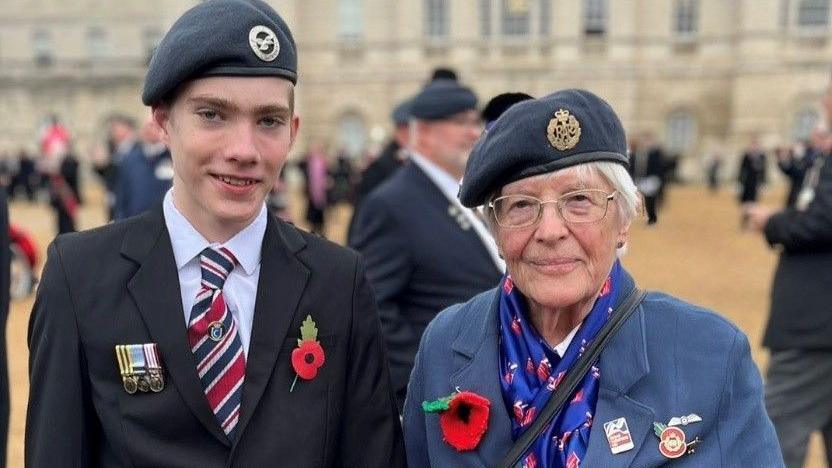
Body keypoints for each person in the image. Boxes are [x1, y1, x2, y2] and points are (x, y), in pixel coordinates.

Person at [26, 1, 405, 466]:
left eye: (268, 121)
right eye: (213, 115)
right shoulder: (79, 277)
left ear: (293, 132)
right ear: (163, 122)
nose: (243, 150)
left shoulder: (339, 281)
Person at [403, 89, 783, 467]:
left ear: (624, 221)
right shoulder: (445, 343)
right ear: (497, 232)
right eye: (521, 205)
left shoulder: (710, 354)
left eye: (579, 200)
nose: (550, 231)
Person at [349, 78, 504, 412]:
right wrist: (424, 380)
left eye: (474, 121)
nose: (473, 132)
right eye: (459, 122)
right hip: (445, 398)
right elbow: (372, 306)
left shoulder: (464, 194)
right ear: (425, 132)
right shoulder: (392, 203)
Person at [744, 80, 832, 468]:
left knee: (775, 433)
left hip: (816, 323)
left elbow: (819, 221)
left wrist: (773, 222)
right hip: (816, 319)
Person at [114, 116, 174, 219]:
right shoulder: (130, 159)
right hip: (135, 221)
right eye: (147, 126)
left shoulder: (173, 157)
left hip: (165, 221)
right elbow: (122, 196)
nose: (150, 130)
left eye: (153, 126)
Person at [737, 137, 768, 205]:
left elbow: (764, 170)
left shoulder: (762, 156)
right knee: (745, 200)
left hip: (756, 181)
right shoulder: (746, 155)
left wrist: (764, 182)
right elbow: (742, 169)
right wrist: (739, 182)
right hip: (747, 181)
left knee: (754, 200)